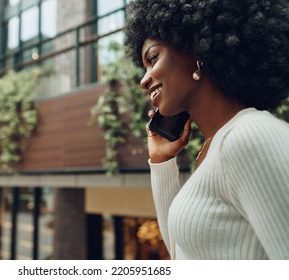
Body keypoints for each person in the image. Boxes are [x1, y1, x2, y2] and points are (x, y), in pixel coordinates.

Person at [124, 0, 289, 259]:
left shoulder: (251, 136)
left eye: (153, 58)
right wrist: (161, 162)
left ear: (198, 48)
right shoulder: (210, 151)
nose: (144, 80)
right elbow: (183, 254)